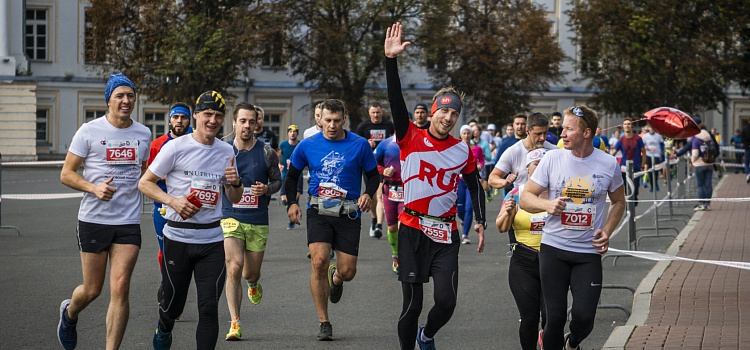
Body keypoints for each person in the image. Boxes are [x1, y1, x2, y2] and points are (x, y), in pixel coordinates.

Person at [385, 22, 487, 350]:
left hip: (445, 234)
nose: (448, 117)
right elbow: (396, 99)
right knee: (411, 306)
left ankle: (427, 335)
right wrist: (391, 61)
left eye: (454, 113)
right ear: (432, 112)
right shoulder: (409, 136)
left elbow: (474, 185)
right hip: (412, 228)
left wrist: (481, 220)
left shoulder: (462, 150)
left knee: (446, 301)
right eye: (443, 110)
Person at [139, 91, 244, 350]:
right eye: (207, 114)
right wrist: (173, 201)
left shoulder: (226, 150)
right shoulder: (176, 147)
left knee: (208, 308)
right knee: (174, 303)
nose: (213, 120)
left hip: (211, 240)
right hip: (178, 238)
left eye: (218, 116)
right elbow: (145, 183)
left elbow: (235, 195)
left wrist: (235, 182)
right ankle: (164, 326)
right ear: (195, 116)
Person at [57, 73, 151, 350]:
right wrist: (93, 188)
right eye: (119, 96)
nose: (125, 101)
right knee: (92, 290)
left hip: (128, 221)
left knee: (120, 288)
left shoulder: (143, 133)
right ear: (108, 100)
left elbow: (144, 173)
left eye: (130, 95)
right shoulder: (89, 131)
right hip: (94, 219)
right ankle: (70, 313)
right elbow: (66, 174)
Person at [520, 105, 626, 350]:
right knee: (554, 318)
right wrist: (547, 205)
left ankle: (573, 343)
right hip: (553, 249)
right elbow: (526, 198)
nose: (561, 134)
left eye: (568, 129)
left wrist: (608, 230)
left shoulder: (608, 163)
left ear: (587, 132)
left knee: (585, 318)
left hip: (587, 253)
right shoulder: (552, 159)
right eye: (562, 129)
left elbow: (620, 201)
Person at [284, 99, 380, 341]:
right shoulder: (308, 145)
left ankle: (336, 277)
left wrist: (368, 193)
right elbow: (292, 175)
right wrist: (293, 202)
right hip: (318, 211)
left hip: (349, 213)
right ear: (320, 120)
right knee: (318, 263)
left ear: (344, 119)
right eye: (327, 120)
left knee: (348, 271)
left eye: (337, 120)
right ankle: (324, 321)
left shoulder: (359, 145)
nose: (332, 125)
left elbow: (373, 176)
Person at [221, 102, 282, 340]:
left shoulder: (267, 152)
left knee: (249, 273)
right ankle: (235, 322)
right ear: (234, 122)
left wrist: (266, 189)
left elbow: (278, 182)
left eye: (252, 121)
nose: (247, 125)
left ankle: (254, 283)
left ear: (257, 124)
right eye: (243, 121)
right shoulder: (223, 151)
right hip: (231, 217)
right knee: (233, 267)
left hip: (257, 219)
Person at [496, 148, 549, 350]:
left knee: (552, 317)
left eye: (545, 165)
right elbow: (501, 227)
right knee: (529, 318)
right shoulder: (516, 194)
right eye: (536, 165)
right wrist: (508, 212)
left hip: (553, 261)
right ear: (528, 168)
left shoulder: (558, 193)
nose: (541, 168)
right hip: (524, 261)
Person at [148, 103, 191, 272]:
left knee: (188, 252)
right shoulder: (156, 145)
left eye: (184, 117)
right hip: (163, 207)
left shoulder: (195, 143)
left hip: (190, 206)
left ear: (190, 120)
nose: (179, 121)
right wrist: (163, 174)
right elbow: (146, 178)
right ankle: (166, 285)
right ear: (170, 120)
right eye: (176, 117)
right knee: (165, 250)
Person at [356, 101, 395, 238]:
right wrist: (366, 143)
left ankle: (378, 225)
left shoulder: (388, 125)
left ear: (382, 112)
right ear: (369, 113)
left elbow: (394, 140)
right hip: (369, 164)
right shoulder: (364, 126)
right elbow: (357, 143)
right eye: (373, 112)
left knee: (380, 195)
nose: (376, 115)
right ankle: (374, 219)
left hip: (385, 163)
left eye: (378, 112)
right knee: (372, 196)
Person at [375, 133, 406, 273]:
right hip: (390, 190)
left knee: (403, 227)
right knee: (392, 228)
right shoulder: (386, 144)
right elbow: (372, 161)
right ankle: (396, 255)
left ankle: (405, 257)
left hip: (407, 191)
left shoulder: (416, 141)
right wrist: (383, 170)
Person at [458, 124, 486, 244]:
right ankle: (464, 221)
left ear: (472, 134)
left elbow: (482, 160)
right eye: (464, 133)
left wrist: (480, 166)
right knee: (460, 209)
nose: (466, 135)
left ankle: (465, 234)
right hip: (459, 181)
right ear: (460, 135)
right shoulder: (456, 148)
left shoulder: (477, 148)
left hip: (471, 180)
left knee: (469, 208)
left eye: (468, 133)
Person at [611, 117, 646, 204]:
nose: (627, 125)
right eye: (625, 124)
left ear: (632, 126)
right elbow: (613, 153)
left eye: (629, 124)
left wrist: (642, 166)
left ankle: (633, 201)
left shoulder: (638, 139)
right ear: (623, 126)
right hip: (624, 169)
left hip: (636, 167)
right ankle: (629, 212)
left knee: (636, 188)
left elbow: (644, 153)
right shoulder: (621, 140)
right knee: (627, 191)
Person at [280, 124, 304, 229]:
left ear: (297, 133)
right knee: (285, 200)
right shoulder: (282, 145)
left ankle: (292, 221)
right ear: (288, 133)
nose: (292, 133)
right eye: (290, 131)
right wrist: (278, 164)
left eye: (294, 131)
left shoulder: (301, 145)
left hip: (297, 176)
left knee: (294, 199)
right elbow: (275, 156)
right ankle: (293, 212)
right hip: (285, 175)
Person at [691, 124, 715, 211]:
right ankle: (707, 204)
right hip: (709, 163)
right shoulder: (710, 138)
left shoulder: (696, 139)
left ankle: (701, 204)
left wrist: (692, 161)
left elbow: (695, 154)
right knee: (708, 185)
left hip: (699, 164)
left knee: (700, 185)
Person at [641, 125, 665, 192]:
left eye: (652, 128)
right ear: (648, 129)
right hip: (649, 155)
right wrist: (645, 148)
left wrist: (661, 150)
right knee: (650, 170)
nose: (651, 129)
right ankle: (651, 186)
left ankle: (656, 184)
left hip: (656, 155)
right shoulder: (645, 136)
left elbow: (662, 144)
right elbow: (642, 144)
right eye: (650, 128)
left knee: (656, 170)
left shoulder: (658, 136)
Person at [741, 118, 750, 183]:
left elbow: (742, 137)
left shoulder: (744, 128)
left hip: (747, 148)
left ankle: (748, 174)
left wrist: (746, 144)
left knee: (746, 163)